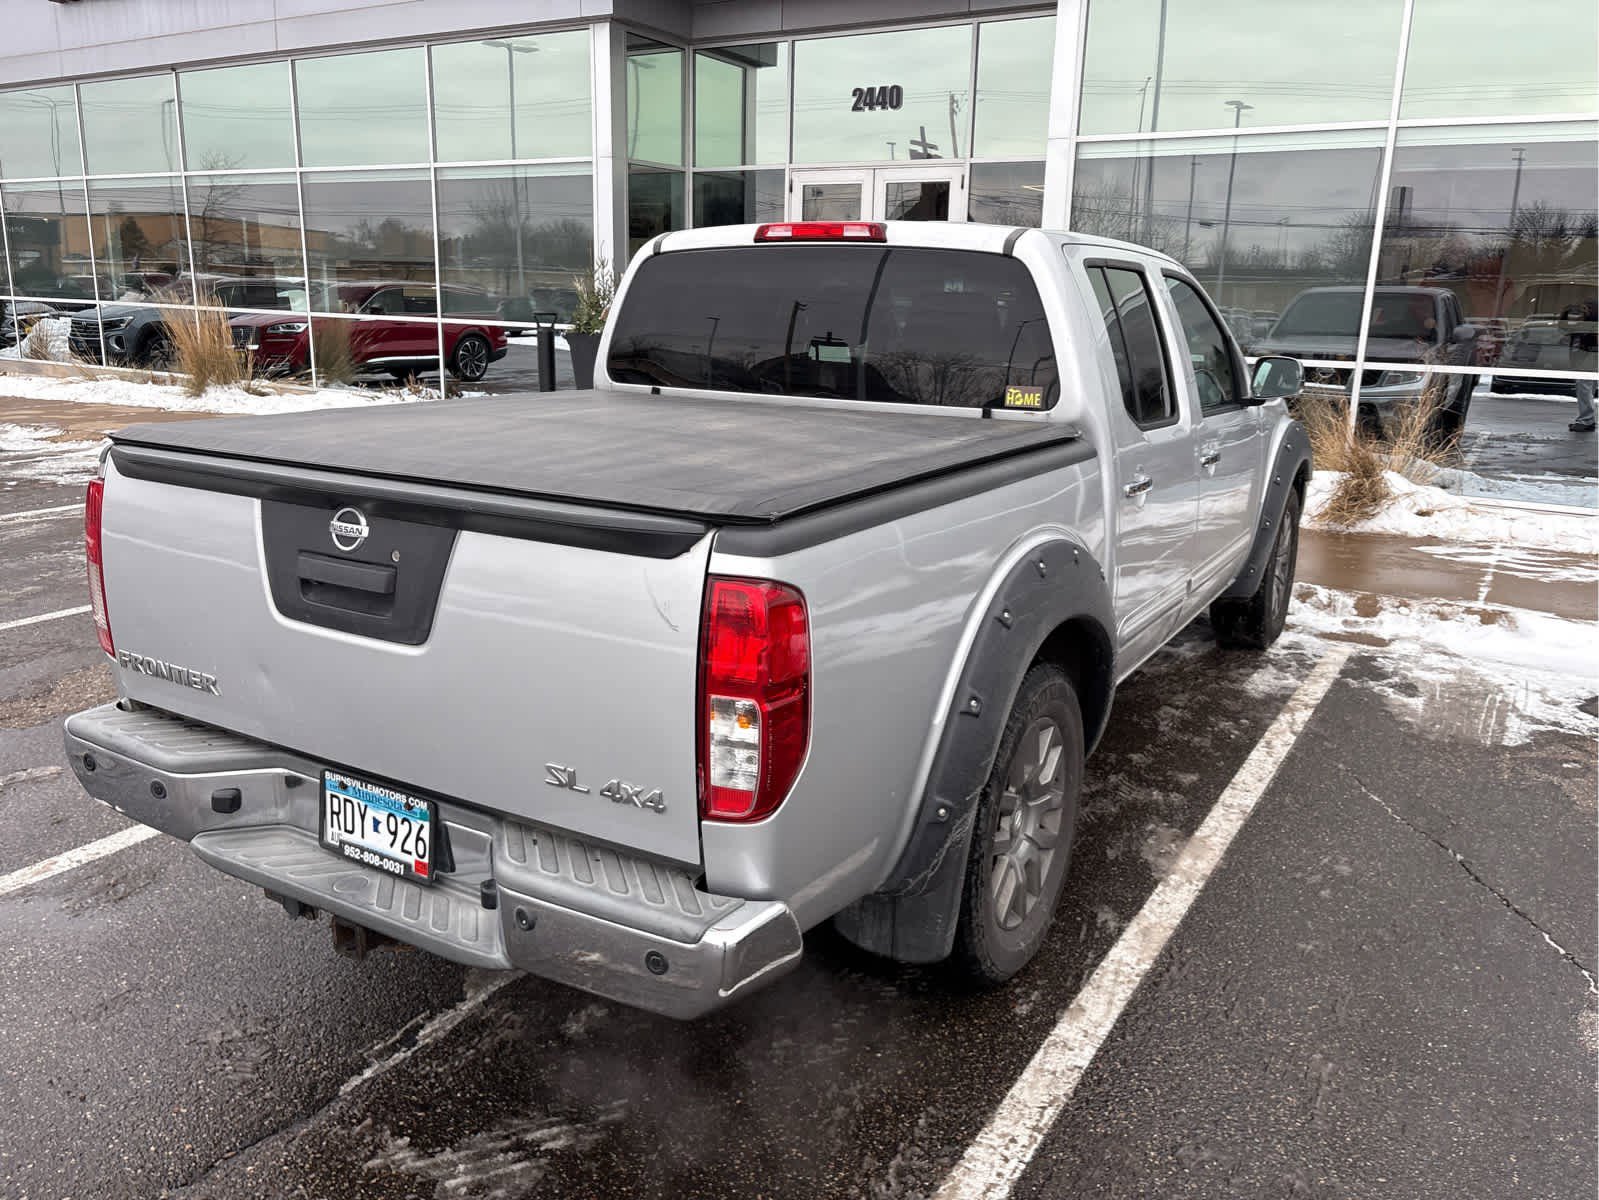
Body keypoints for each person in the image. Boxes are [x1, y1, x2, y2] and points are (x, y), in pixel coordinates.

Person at [1559, 296, 1596, 432]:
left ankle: (1586, 420)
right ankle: (1588, 419)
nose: (1582, 311)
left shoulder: (1591, 324)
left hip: (1589, 356)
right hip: (1582, 357)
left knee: (1584, 386)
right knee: (1587, 387)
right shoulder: (1581, 324)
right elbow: (1564, 327)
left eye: (1586, 308)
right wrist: (1565, 313)